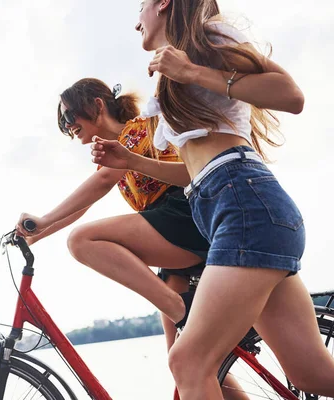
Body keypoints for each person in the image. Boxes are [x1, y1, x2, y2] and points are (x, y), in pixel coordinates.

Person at [90, 0, 334, 398]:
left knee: (188, 363)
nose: (137, 20)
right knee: (314, 376)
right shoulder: (169, 74)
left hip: (244, 204)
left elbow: (291, 95)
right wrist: (133, 160)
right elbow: (193, 170)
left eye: (140, 6)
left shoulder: (210, 37)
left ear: (164, 3)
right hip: (229, 208)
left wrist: (191, 71)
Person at [15, 77, 212, 381]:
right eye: (63, 122)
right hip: (169, 229)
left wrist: (43, 218)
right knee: (186, 366)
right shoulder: (114, 156)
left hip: (184, 215)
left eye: (69, 117)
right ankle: (181, 312)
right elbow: (84, 205)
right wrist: (36, 234)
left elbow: (102, 183)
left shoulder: (137, 130)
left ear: (96, 105)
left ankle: (179, 308)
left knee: (82, 240)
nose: (68, 126)